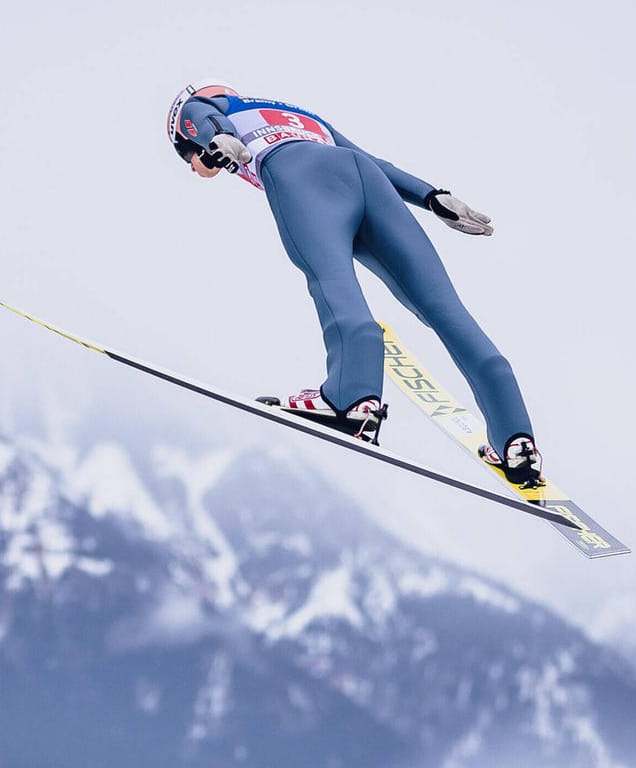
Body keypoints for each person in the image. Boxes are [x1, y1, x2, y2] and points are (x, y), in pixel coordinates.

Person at [167, 80, 542, 485]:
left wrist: (217, 136)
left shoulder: (206, 109)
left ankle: (351, 398)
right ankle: (516, 440)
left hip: (299, 175)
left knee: (330, 278)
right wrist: (433, 196)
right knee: (445, 309)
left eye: (186, 157)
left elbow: (198, 113)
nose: (193, 166)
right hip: (366, 181)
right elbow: (373, 162)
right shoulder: (297, 114)